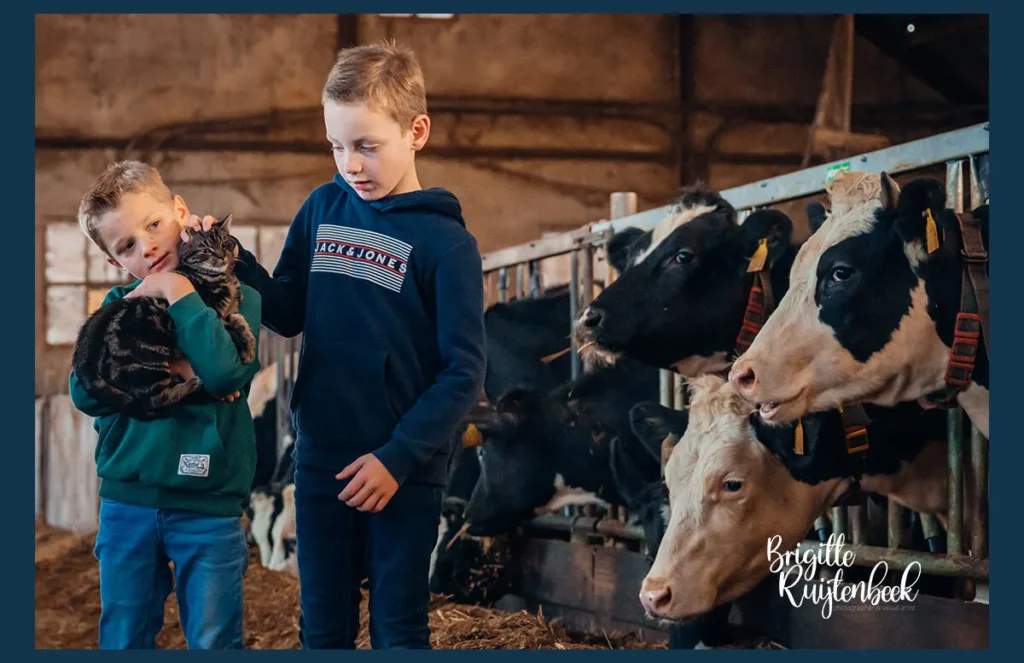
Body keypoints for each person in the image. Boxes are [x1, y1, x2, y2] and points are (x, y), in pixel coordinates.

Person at [190, 39, 487, 649]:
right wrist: (230, 258)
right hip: (323, 456)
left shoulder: (446, 244)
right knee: (322, 626)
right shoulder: (322, 208)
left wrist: (398, 458)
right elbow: (288, 312)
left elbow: (464, 372)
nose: (350, 164)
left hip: (402, 469)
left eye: (367, 146)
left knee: (397, 625)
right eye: (336, 146)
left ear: (418, 131)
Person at [69, 159, 262, 649]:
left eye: (153, 225)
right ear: (116, 263)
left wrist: (178, 290)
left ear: (180, 210)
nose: (148, 246)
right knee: (124, 635)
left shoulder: (234, 298)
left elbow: (224, 371)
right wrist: (184, 370)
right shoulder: (118, 307)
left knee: (215, 637)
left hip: (210, 504)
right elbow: (86, 390)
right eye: (127, 245)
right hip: (127, 500)